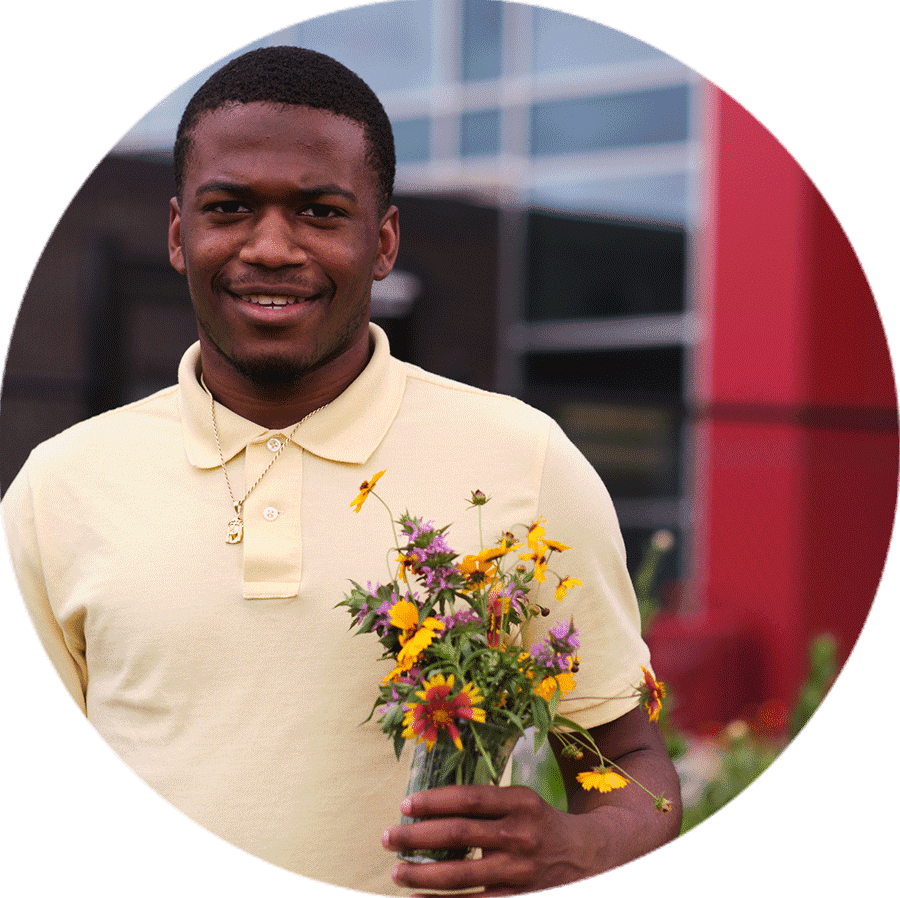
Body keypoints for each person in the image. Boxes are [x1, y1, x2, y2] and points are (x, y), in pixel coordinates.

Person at [2, 46, 681, 895]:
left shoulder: (526, 461)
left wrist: (583, 847)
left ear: (383, 240)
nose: (272, 247)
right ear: (181, 235)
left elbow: (627, 756)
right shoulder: (59, 486)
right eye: (230, 208)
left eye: (321, 212)